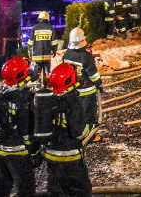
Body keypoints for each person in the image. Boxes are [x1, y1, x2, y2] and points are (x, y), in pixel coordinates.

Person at [0, 56, 39, 197]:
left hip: (0, 149)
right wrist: (34, 151)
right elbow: (25, 130)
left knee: (1, 186)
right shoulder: (23, 98)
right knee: (25, 188)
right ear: (21, 75)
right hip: (18, 152)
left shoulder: (1, 93)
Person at [42, 63, 92, 196]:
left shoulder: (46, 100)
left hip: (51, 157)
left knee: (56, 191)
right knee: (80, 191)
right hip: (71, 159)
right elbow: (81, 133)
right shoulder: (73, 102)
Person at [62, 27, 103, 143]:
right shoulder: (85, 56)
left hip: (72, 91)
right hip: (87, 92)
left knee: (75, 113)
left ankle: (75, 133)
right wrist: (99, 84)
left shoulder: (67, 54)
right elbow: (93, 74)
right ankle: (91, 136)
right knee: (89, 115)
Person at [29, 11, 55, 85]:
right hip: (47, 55)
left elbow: (30, 42)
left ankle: (37, 83)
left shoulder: (34, 28)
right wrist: (54, 51)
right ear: (47, 19)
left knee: (37, 71)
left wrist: (30, 51)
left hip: (37, 55)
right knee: (47, 71)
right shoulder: (51, 28)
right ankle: (47, 83)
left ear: (39, 19)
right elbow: (54, 42)